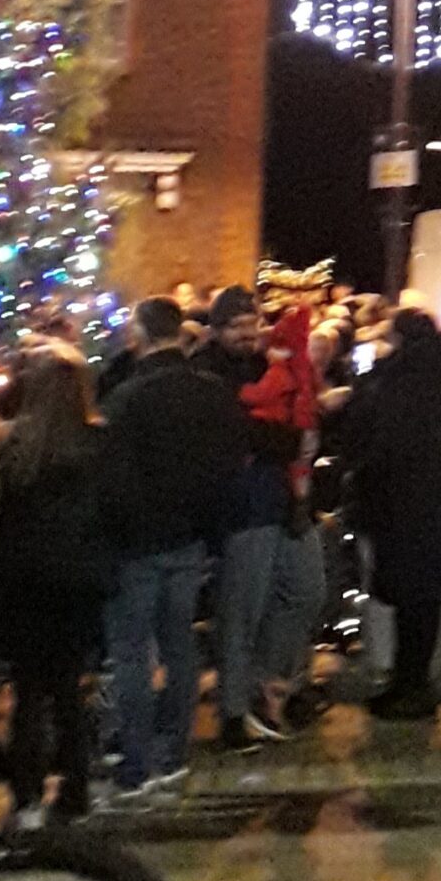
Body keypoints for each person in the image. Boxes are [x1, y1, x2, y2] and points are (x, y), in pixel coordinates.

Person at [100, 293, 247, 792]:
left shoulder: (127, 398)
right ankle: (174, 750)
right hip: (190, 541)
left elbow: (113, 479)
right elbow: (229, 466)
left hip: (137, 545)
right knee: (180, 645)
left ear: (139, 334)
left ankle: (136, 760)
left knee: (131, 653)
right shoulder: (211, 392)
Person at [0, 347, 114, 825]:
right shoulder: (97, 445)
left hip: (23, 583)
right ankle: (76, 790)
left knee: (28, 695)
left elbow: (2, 518)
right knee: (68, 690)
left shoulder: (17, 448)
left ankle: (26, 797)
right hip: (76, 584)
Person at [201, 284, 316, 749]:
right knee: (240, 611)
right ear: (218, 329)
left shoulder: (268, 362)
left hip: (284, 498)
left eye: (252, 322)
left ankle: (264, 682)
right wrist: (288, 440)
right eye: (236, 325)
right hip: (245, 506)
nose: (248, 333)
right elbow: (238, 432)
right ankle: (233, 713)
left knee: (308, 592)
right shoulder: (211, 371)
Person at [339, 305, 441, 719]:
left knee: (412, 600)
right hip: (438, 503)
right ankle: (413, 681)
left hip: (403, 505)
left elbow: (376, 440)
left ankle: (410, 686)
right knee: (422, 601)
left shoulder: (398, 382)